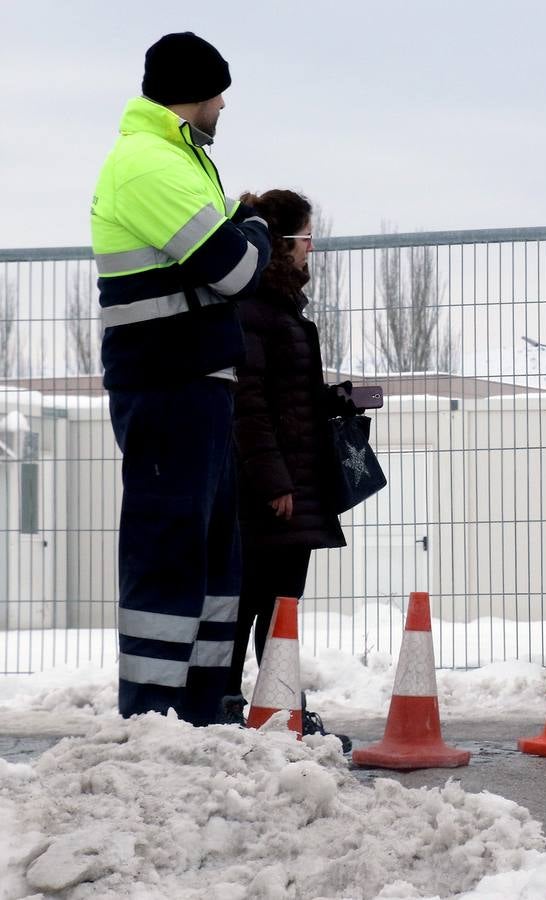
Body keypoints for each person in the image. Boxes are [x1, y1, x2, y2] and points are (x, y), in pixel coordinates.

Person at [91, 33, 272, 724]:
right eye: (218, 92)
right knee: (168, 548)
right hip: (167, 383)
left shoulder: (178, 159)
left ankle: (202, 709)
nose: (224, 104)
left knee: (213, 558)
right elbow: (234, 271)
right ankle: (151, 718)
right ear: (192, 94)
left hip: (197, 380)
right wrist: (253, 229)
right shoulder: (148, 164)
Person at [225, 189, 355, 751]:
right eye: (306, 240)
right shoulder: (257, 311)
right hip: (270, 492)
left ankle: (276, 709)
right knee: (256, 602)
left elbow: (284, 398)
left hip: (288, 483)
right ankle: (237, 707)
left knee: (278, 604)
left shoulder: (277, 309)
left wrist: (335, 400)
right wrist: (274, 481)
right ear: (282, 246)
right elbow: (248, 406)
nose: (311, 251)